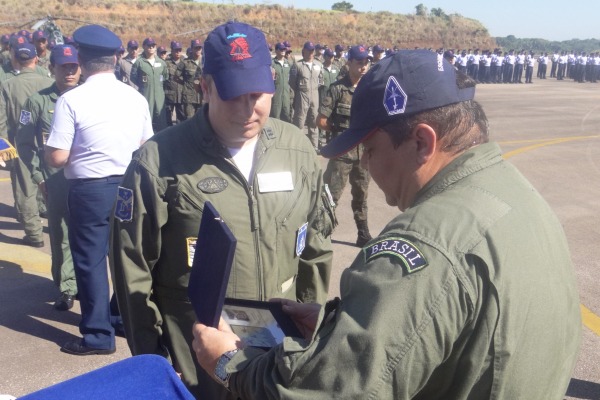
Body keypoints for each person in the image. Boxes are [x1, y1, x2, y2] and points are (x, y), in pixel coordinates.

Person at [191, 49, 582, 399]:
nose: (364, 165)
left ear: (422, 143)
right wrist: (338, 327)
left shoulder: (423, 243)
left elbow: (322, 393)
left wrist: (231, 365)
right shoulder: (516, 194)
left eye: (371, 150)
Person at [110, 21, 335, 399]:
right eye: (234, 95)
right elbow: (133, 271)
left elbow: (314, 249)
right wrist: (153, 361)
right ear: (205, 87)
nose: (249, 108)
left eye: (259, 94)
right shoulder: (160, 160)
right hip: (197, 359)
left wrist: (311, 337)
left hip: (279, 355)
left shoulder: (297, 152)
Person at [44, 24, 153, 355]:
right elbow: (147, 145)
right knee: (125, 256)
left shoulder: (71, 100)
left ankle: (97, 334)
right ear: (116, 58)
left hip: (89, 189)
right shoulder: (134, 97)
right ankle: (120, 317)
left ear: (81, 58)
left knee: (90, 260)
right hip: (129, 187)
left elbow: (58, 157)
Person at [15, 44, 81, 310]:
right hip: (56, 180)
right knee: (61, 234)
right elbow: (24, 143)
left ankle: (89, 284)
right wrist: (38, 176)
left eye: (74, 66)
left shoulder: (93, 99)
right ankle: (67, 286)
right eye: (63, 67)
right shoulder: (37, 101)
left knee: (93, 235)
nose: (69, 72)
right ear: (51, 68)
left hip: (91, 180)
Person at [0, 36, 53, 248]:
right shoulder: (49, 82)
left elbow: (1, 122)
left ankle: (34, 234)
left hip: (20, 143)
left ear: (15, 57)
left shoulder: (7, 85)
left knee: (25, 189)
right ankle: (56, 224)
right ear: (36, 59)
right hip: (50, 143)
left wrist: (4, 150)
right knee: (53, 184)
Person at [317, 45, 372, 247]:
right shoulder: (337, 89)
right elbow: (321, 120)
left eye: (366, 62)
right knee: (331, 195)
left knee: (361, 196)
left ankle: (363, 234)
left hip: (364, 155)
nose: (364, 66)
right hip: (342, 154)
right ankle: (322, 234)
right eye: (359, 62)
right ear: (349, 63)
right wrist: (339, 133)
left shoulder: (369, 90)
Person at [290, 41, 323, 152]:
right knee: (299, 121)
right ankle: (297, 146)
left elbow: (321, 81)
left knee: (314, 122)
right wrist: (300, 92)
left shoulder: (318, 65)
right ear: (304, 51)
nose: (310, 53)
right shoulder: (298, 65)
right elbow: (292, 82)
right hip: (302, 95)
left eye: (312, 51)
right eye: (308, 50)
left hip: (315, 95)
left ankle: (314, 147)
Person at [131, 37, 168, 132]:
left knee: (161, 119)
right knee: (147, 119)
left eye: (153, 46)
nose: (151, 47)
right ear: (144, 46)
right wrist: (145, 86)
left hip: (159, 96)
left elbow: (165, 77)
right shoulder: (139, 63)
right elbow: (134, 77)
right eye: (149, 45)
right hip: (146, 95)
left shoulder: (161, 63)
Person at [174, 39, 203, 120]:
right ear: (192, 48)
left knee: (202, 120)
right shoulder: (185, 62)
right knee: (190, 119)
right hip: (189, 97)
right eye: (196, 48)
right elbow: (176, 76)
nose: (198, 50)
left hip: (203, 97)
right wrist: (184, 83)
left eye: (199, 48)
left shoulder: (205, 61)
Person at [164, 40, 185, 126]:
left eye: (179, 50)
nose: (178, 52)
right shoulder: (166, 63)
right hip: (169, 95)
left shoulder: (185, 62)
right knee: (168, 118)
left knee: (181, 118)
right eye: (176, 50)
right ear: (171, 50)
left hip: (181, 94)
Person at [270, 42, 292, 122]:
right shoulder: (272, 64)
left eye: (284, 49)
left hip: (286, 95)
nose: (283, 51)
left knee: (287, 117)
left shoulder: (289, 64)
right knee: (275, 117)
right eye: (281, 49)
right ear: (276, 51)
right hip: (276, 96)